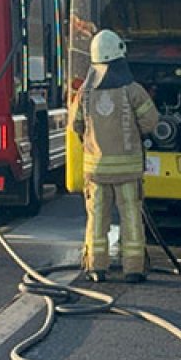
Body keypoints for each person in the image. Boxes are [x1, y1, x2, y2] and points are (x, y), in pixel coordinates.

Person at [71, 29, 160, 283]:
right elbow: (151, 121)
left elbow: (76, 125)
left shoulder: (85, 93)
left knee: (97, 219)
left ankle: (96, 268)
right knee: (131, 217)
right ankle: (133, 268)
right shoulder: (133, 90)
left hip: (96, 171)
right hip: (128, 171)